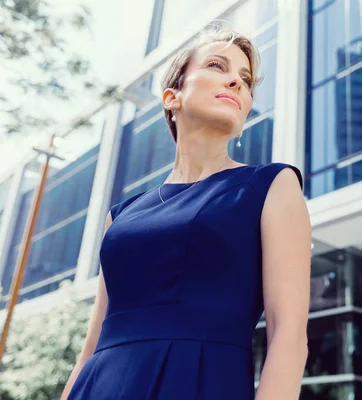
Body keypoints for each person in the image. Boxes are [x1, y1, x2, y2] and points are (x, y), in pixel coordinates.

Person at [60, 25, 311, 400]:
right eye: (216, 66)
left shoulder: (272, 186)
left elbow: (288, 337)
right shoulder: (122, 215)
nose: (236, 82)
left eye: (245, 79)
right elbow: (91, 347)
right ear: (171, 97)